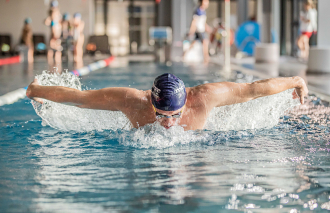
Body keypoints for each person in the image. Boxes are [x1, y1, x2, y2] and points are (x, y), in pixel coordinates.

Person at [26, 73, 308, 131]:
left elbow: (254, 89)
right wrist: (36, 90)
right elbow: (81, 99)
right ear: (151, 101)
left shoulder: (205, 98)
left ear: (187, 103)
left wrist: (296, 80)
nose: (169, 124)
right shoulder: (132, 101)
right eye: (161, 115)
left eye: (174, 115)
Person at [183, 0, 211, 64]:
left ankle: (184, 54)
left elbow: (203, 22)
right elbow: (194, 21)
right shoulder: (198, 11)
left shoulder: (203, 11)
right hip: (199, 30)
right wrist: (191, 31)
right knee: (205, 42)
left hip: (201, 29)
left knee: (193, 43)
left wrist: (207, 28)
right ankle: (206, 57)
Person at [44, 0, 62, 66]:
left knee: (55, 48)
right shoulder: (54, 14)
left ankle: (55, 63)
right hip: (55, 32)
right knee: (53, 49)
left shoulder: (56, 14)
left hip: (55, 32)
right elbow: (47, 22)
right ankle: (53, 63)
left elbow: (47, 22)